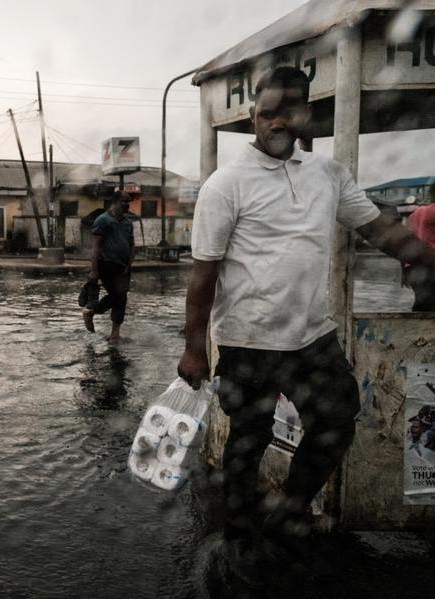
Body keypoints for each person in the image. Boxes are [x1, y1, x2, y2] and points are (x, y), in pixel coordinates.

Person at [176, 66, 435, 584]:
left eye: (286, 111)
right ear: (254, 116)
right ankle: (241, 536)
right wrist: (194, 349)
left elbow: (381, 230)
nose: (276, 121)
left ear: (303, 115)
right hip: (247, 340)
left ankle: (292, 507)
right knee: (247, 440)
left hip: (311, 336)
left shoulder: (327, 175)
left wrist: (428, 258)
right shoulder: (226, 185)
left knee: (338, 419)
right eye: (266, 112)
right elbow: (203, 276)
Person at [82, 191, 137, 344]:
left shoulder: (127, 222)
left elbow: (132, 244)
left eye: (128, 202)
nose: (127, 205)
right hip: (107, 264)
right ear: (115, 202)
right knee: (117, 295)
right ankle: (91, 311)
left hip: (123, 266)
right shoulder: (103, 220)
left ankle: (115, 335)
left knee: (122, 298)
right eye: (124, 202)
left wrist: (129, 263)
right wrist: (94, 270)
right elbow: (96, 246)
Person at [404, 202, 435, 310]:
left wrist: (403, 269)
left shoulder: (416, 213)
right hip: (431, 266)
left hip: (414, 266)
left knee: (421, 304)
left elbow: (405, 241)